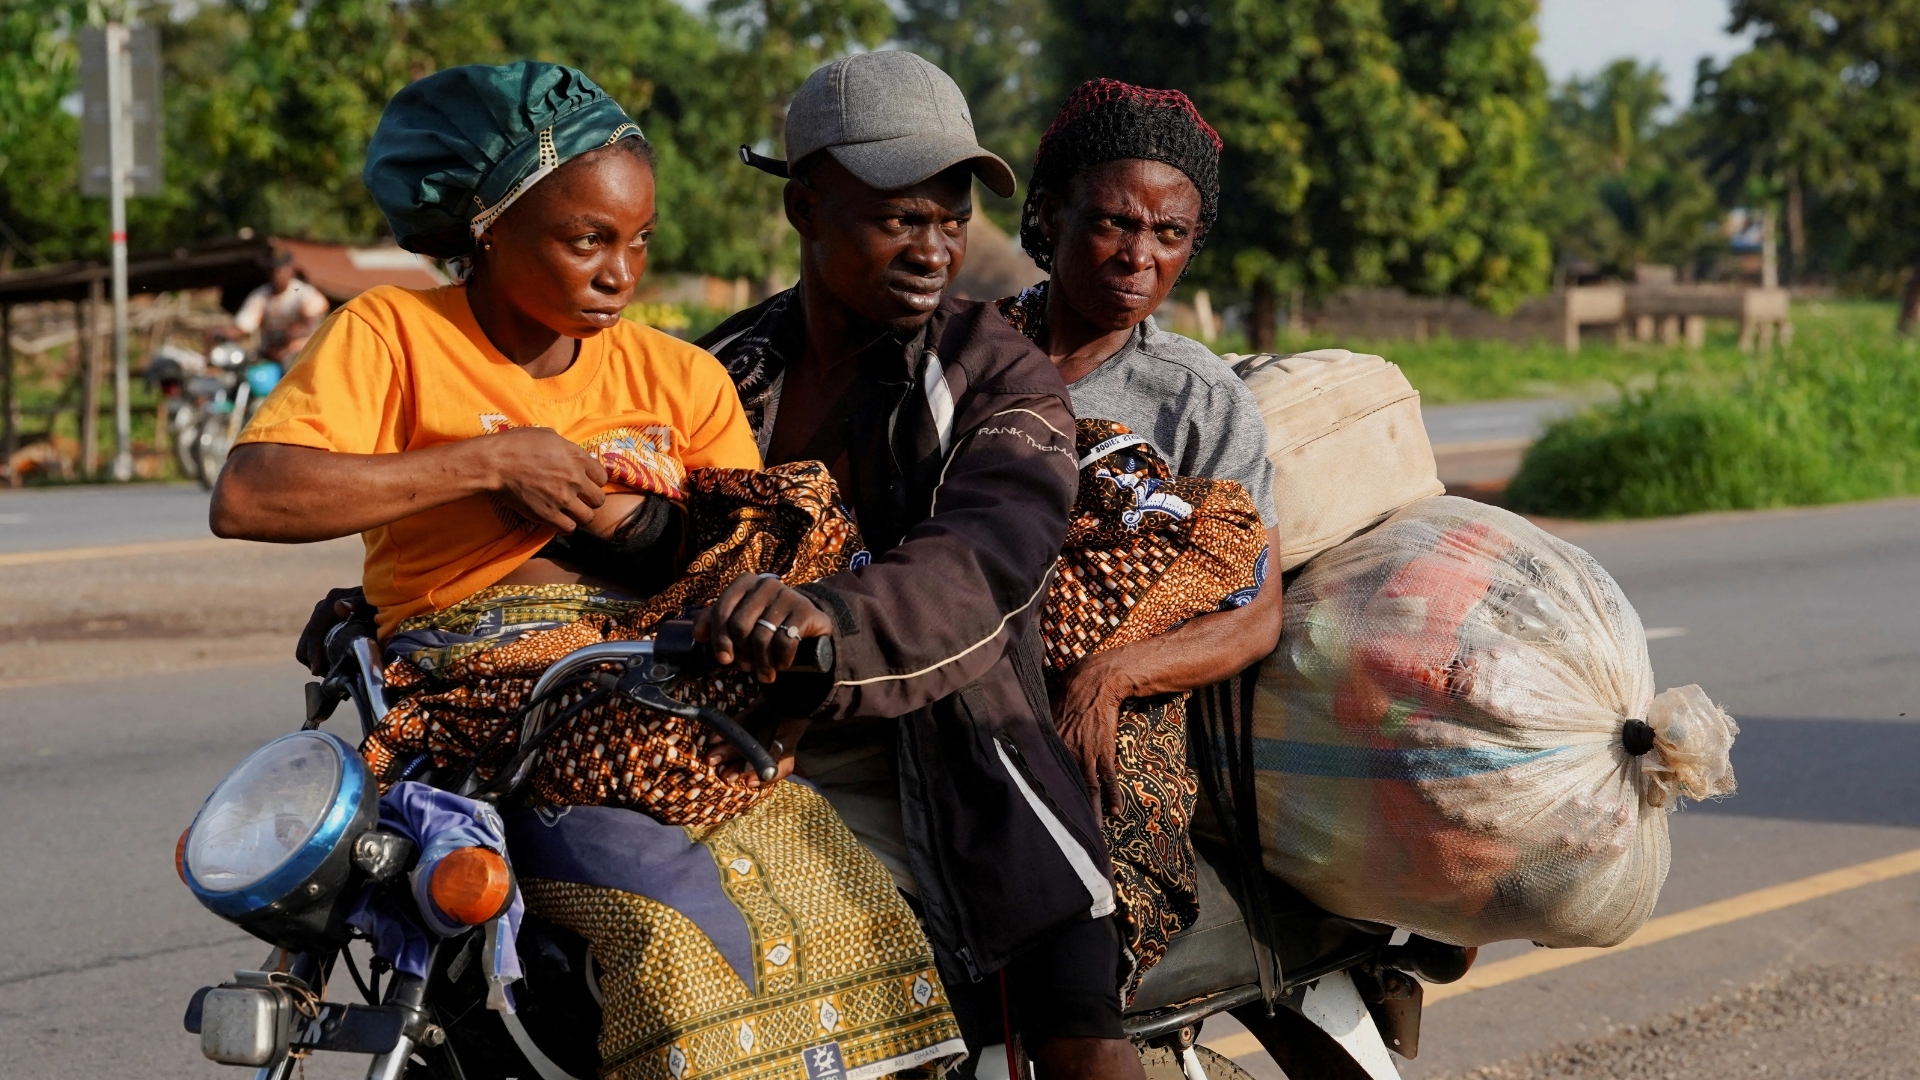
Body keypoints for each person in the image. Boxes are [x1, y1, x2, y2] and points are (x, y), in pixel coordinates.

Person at [213, 61, 968, 1080]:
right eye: (587, 241)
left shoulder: (681, 376)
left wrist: (653, 534)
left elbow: (746, 548)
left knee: (851, 905)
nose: (622, 271)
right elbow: (251, 495)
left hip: (662, 689)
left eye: (638, 241)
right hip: (481, 703)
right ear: (489, 229)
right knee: (664, 928)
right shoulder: (392, 334)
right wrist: (487, 460)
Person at [699, 50, 1144, 1080]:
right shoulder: (727, 368)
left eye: (950, 221)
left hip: (967, 741)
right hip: (734, 737)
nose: (935, 249)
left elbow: (985, 557)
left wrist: (826, 624)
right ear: (806, 210)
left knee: (1076, 1020)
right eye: (901, 219)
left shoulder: (995, 371)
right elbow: (643, 522)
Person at [999, 80, 1285, 996]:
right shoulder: (968, 351)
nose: (1140, 257)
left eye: (1170, 236)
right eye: (1115, 223)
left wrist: (1115, 675)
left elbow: (1255, 610)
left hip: (1113, 706)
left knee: (1074, 926)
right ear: (1050, 213)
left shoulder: (1196, 400)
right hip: (950, 658)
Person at [226, 249, 331, 362]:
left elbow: (313, 324)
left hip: (299, 351)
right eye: (272, 270)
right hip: (269, 352)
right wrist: (223, 333)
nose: (275, 275)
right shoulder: (261, 296)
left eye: (279, 270)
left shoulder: (302, 293)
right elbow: (243, 325)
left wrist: (292, 333)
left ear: (291, 270)